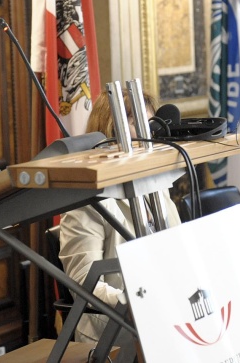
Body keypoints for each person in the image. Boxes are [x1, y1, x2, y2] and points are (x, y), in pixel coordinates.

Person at [58, 90, 181, 343]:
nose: (151, 135)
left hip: (170, 317)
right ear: (113, 132)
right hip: (115, 330)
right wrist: (141, 303)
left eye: (153, 124)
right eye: (142, 126)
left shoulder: (157, 184)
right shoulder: (86, 202)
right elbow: (85, 285)